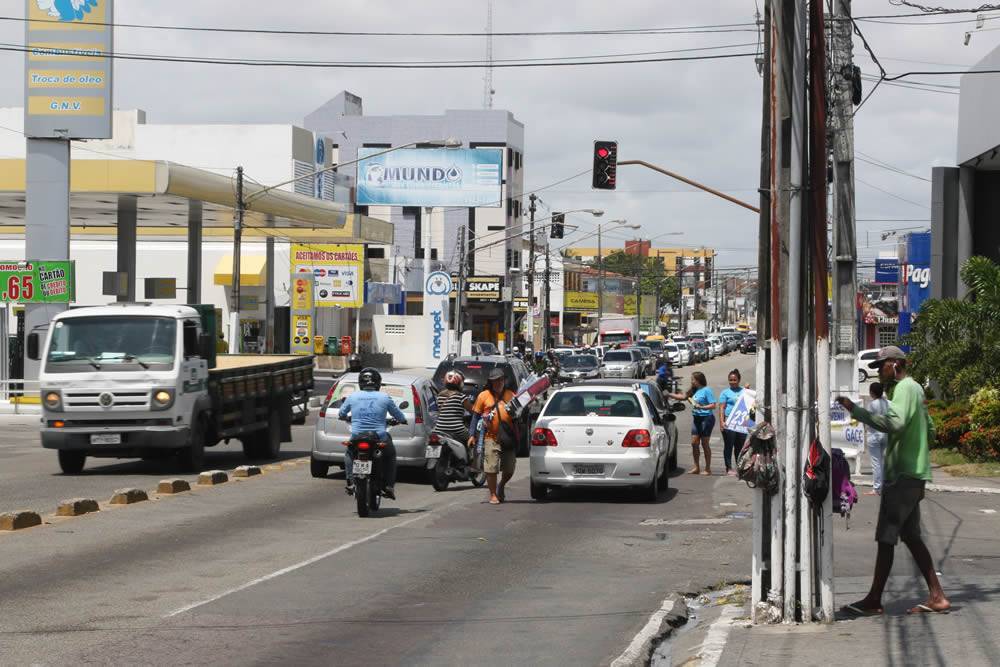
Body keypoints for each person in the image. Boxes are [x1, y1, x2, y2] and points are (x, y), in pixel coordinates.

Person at [836, 346, 950, 616]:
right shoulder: (915, 391)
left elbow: (895, 424)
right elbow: (930, 429)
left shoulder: (904, 389)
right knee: (911, 536)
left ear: (896, 364)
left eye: (883, 366)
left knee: (886, 537)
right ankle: (937, 595)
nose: (880, 372)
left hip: (902, 474)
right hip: (913, 472)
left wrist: (858, 412)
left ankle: (874, 599)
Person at [338, 368, 407, 500]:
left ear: (360, 383)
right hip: (379, 436)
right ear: (378, 383)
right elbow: (399, 416)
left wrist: (346, 417)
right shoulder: (385, 397)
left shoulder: (353, 396)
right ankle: (389, 486)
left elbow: (341, 414)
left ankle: (351, 482)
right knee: (390, 455)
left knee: (349, 453)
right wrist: (402, 420)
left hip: (357, 436)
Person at [469, 368, 517, 504]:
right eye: (495, 381)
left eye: (500, 380)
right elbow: (475, 416)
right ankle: (493, 494)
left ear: (504, 380)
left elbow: (519, 413)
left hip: (508, 437)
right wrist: (472, 435)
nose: (498, 383)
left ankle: (501, 485)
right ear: (490, 382)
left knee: (509, 468)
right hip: (490, 437)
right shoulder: (483, 396)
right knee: (491, 467)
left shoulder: (511, 395)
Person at [668, 371, 717, 475]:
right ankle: (696, 467)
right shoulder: (694, 390)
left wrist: (702, 407)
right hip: (697, 418)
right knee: (694, 443)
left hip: (706, 418)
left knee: (704, 443)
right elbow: (683, 397)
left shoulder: (706, 390)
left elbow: (713, 405)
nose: (692, 381)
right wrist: (668, 394)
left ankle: (708, 469)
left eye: (693, 379)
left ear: (699, 380)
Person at [434, 370, 474, 462]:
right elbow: (472, 411)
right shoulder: (461, 397)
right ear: (460, 383)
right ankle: (469, 460)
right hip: (456, 429)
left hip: (438, 429)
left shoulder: (439, 396)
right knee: (472, 439)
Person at [718, 369, 747, 477]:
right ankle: (728, 468)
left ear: (739, 380)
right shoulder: (725, 393)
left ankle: (739, 468)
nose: (732, 382)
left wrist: (747, 390)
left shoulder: (744, 391)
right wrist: (722, 422)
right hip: (729, 422)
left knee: (740, 447)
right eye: (730, 380)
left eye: (735, 380)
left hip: (741, 422)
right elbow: (721, 408)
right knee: (729, 445)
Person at [865, 381, 889, 496]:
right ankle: (885, 485)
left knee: (876, 462)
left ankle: (877, 488)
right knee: (884, 461)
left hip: (874, 435)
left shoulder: (872, 404)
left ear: (872, 392)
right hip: (886, 434)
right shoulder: (888, 403)